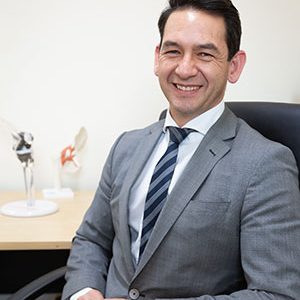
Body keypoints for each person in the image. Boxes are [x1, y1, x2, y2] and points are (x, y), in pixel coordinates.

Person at [62, 0, 300, 299]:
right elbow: (92, 239)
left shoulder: (265, 164)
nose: (185, 69)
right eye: (173, 51)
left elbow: (276, 293)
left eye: (204, 53)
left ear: (234, 66)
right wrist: (85, 291)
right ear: (157, 58)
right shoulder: (126, 146)